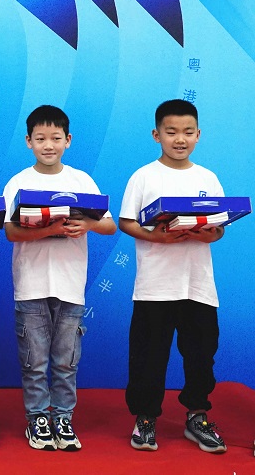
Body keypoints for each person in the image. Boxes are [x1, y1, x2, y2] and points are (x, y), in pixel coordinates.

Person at [3, 105, 116, 451]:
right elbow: (10, 232)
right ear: (28, 141)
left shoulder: (81, 180)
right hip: (31, 285)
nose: (48, 145)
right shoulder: (19, 182)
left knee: (67, 361)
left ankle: (63, 418)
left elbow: (110, 225)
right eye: (40, 139)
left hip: (71, 286)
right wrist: (49, 230)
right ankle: (38, 419)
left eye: (55, 138)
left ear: (68, 140)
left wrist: (88, 224)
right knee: (34, 361)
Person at [118, 99, 228, 453]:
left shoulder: (208, 178)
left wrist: (209, 234)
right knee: (148, 357)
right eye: (171, 132)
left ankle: (197, 417)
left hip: (198, 285)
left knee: (201, 356)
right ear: (156, 135)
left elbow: (219, 228)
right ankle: (145, 418)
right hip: (155, 286)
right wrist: (158, 237)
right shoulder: (144, 176)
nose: (180, 139)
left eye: (187, 132)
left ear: (198, 135)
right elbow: (126, 221)